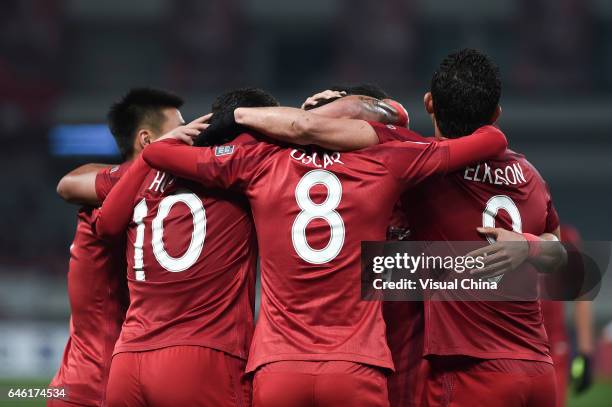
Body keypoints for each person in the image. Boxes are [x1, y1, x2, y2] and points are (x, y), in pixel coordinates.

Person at [140, 86, 508, 406]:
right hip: (360, 367)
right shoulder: (388, 163)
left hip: (278, 366)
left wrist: (213, 124)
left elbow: (156, 154)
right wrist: (533, 257)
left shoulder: (261, 162)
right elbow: (490, 141)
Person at [253, 49, 564, 407]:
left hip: (467, 369)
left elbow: (368, 127)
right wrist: (528, 246)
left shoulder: (419, 170)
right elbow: (558, 252)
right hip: (537, 368)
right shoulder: (529, 175)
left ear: (429, 103)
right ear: (496, 113)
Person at [49, 88, 185, 406]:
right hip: (102, 386)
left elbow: (74, 180)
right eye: (180, 130)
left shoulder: (109, 189)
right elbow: (66, 184)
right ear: (147, 141)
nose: (188, 136)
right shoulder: (122, 196)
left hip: (77, 384)